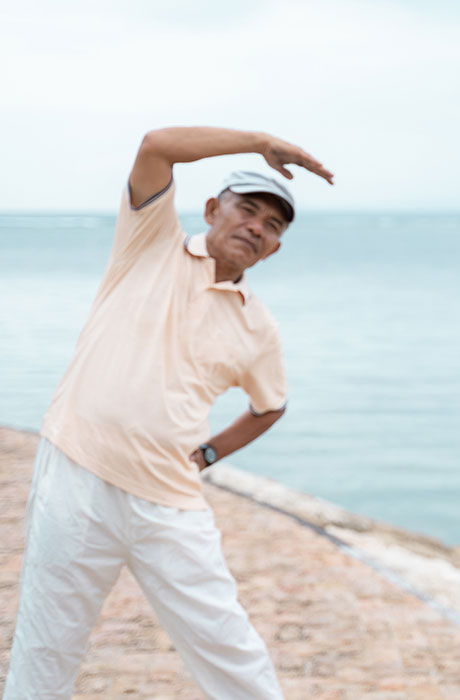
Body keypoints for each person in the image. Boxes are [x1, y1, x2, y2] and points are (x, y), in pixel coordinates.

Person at [4, 127, 334, 699]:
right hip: (78, 474)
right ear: (212, 209)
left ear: (275, 248)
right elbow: (156, 147)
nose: (257, 226)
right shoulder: (149, 242)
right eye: (247, 209)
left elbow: (270, 406)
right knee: (47, 647)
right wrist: (259, 143)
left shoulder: (259, 327)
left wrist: (208, 454)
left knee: (233, 652)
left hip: (171, 500)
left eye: (272, 225)